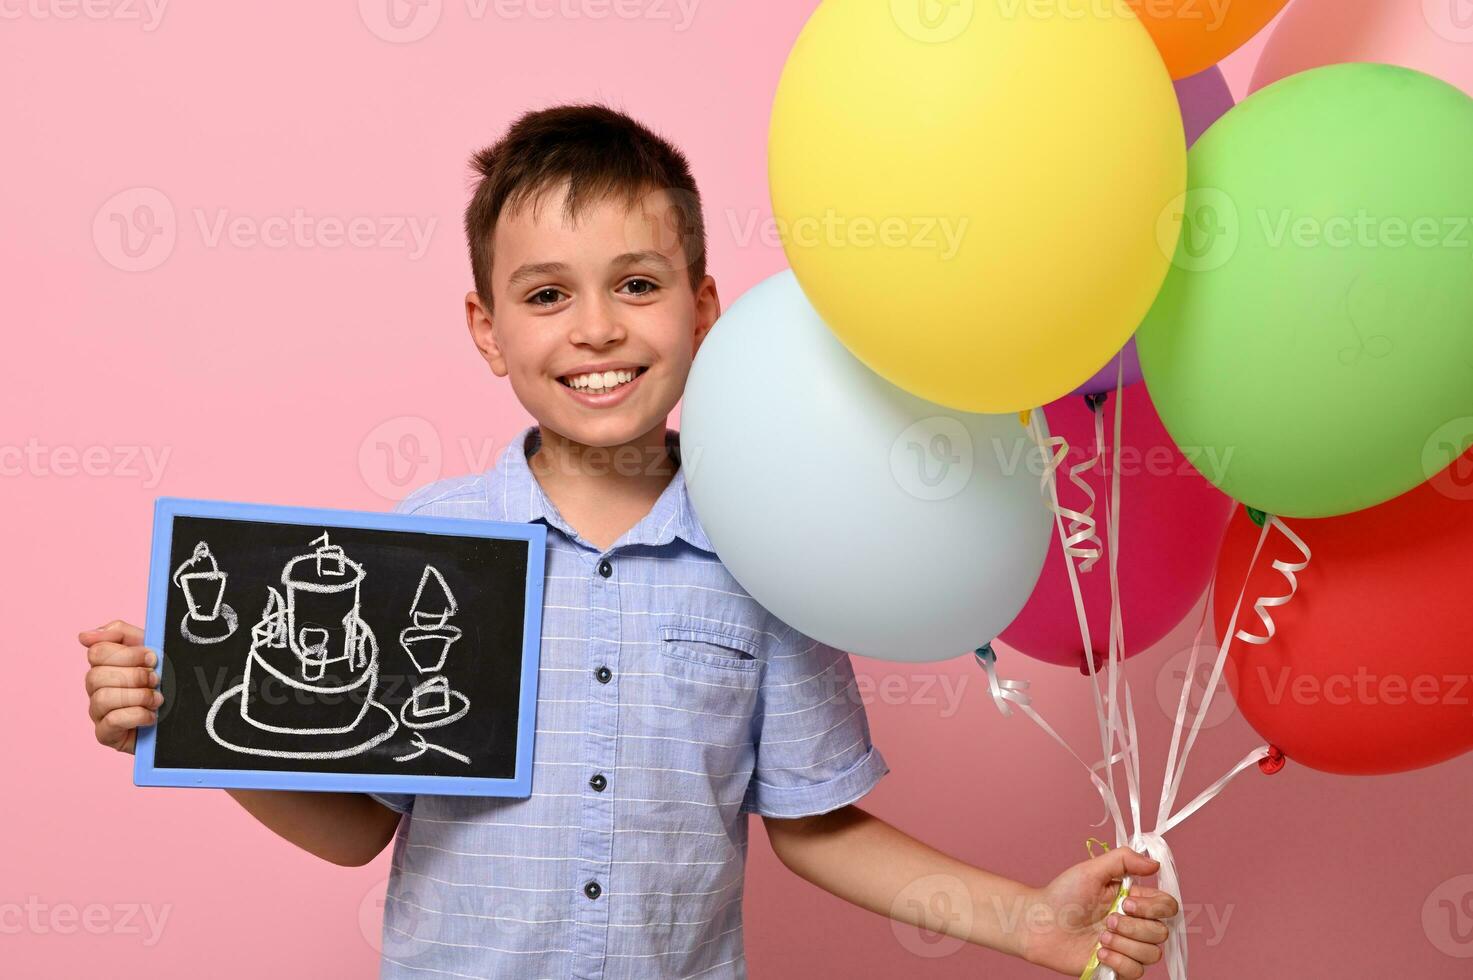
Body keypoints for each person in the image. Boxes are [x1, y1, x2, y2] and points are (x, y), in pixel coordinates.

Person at [81, 103, 1175, 979]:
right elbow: (356, 827)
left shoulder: (771, 546)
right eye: (547, 294)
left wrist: (1029, 919)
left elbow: (815, 821)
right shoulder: (429, 544)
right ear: (487, 329)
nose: (597, 328)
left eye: (637, 285)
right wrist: (195, 726)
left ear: (702, 308)